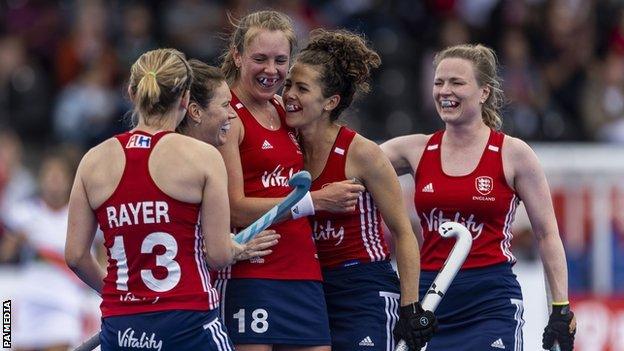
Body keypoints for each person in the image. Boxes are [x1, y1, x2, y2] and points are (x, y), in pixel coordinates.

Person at [65, 48, 265, 351]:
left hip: (123, 327)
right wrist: (233, 248)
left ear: (132, 93)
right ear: (185, 99)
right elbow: (218, 256)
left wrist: (115, 290)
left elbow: (76, 256)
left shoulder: (93, 161)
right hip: (188, 322)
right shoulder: (203, 158)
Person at [381, 43, 576, 351]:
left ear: (484, 92)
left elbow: (547, 234)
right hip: (430, 302)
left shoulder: (513, 154)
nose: (445, 91)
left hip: (490, 301)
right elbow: (353, 163)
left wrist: (560, 309)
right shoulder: (414, 149)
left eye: (457, 82)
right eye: (439, 82)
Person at [215, 10, 364, 351]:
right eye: (260, 59)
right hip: (253, 271)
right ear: (237, 56)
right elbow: (235, 208)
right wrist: (316, 201)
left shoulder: (285, 110)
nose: (271, 71)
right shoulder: (228, 117)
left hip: (303, 271)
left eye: (281, 60)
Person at [282, 28, 437, 351]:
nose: (289, 95)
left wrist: (410, 307)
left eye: (301, 88)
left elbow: (404, 232)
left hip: (363, 291)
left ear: (330, 102)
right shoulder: (284, 147)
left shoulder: (362, 153)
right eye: (288, 85)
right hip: (309, 289)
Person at [4, 152, 92, 351]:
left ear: (69, 182)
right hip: (30, 297)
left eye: (58, 176)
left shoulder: (79, 216)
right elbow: (5, 255)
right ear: (41, 180)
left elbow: (97, 255)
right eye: (49, 175)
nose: (54, 181)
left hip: (63, 301)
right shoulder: (24, 213)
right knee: (11, 342)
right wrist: (17, 241)